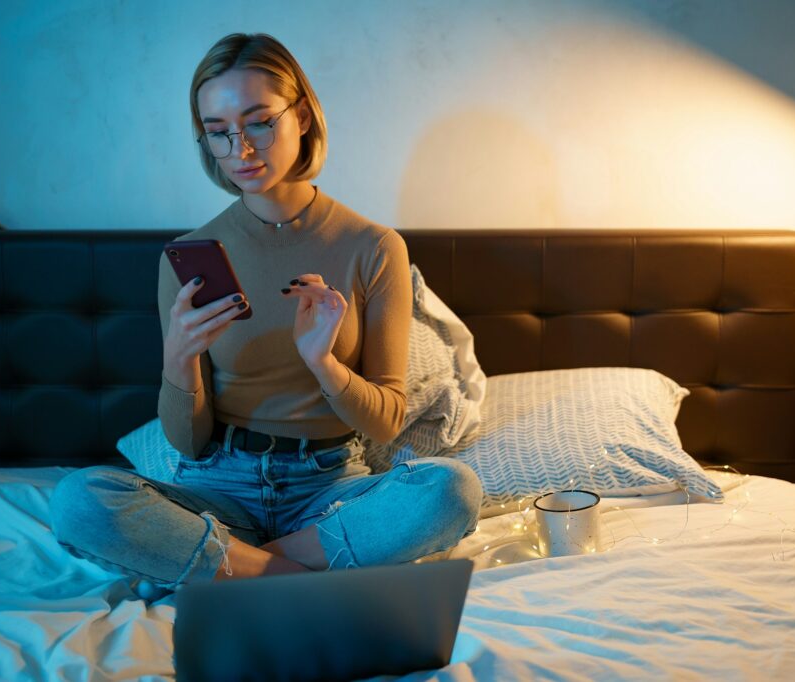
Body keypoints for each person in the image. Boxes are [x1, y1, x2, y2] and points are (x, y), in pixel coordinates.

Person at [48, 32, 482, 593]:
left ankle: (230, 566)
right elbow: (188, 443)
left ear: (301, 116)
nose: (240, 151)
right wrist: (178, 361)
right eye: (219, 133)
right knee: (78, 502)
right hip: (215, 486)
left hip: (328, 490)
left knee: (453, 491)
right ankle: (286, 577)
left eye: (258, 123)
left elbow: (386, 421)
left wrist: (323, 362)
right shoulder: (189, 255)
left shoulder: (373, 247)